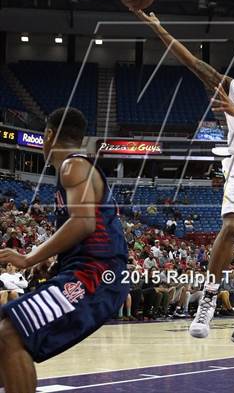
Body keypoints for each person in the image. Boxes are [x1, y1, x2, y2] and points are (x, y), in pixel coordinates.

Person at [134, 9, 234, 353]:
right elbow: (192, 61)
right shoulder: (231, 87)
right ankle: (207, 302)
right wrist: (159, 28)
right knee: (232, 226)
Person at [0, 107, 129, 393]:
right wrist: (53, 258)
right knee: (9, 337)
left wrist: (29, 257)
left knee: (9, 335)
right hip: (88, 270)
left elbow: (83, 223)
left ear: (48, 135)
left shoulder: (74, 166)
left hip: (97, 274)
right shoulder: (75, 168)